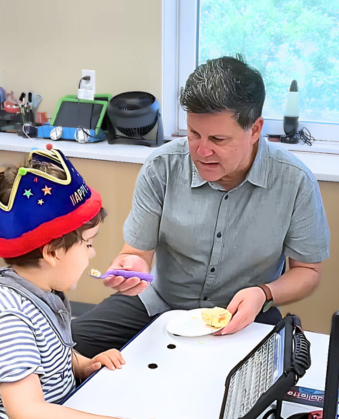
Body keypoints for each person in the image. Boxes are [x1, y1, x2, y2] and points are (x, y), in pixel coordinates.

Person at [72, 56, 330, 358]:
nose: (202, 151)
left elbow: (308, 272)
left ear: (255, 129)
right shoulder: (162, 167)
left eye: (218, 139)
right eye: (194, 134)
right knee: (63, 353)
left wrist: (265, 293)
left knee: (264, 383)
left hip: (247, 313)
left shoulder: (294, 180)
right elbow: (135, 253)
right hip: (159, 303)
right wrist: (133, 265)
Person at [0, 147, 180, 419]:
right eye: (88, 243)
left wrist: (82, 364)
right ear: (53, 252)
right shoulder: (8, 319)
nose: (92, 253)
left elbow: (47, 352)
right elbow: (28, 418)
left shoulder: (43, 292)